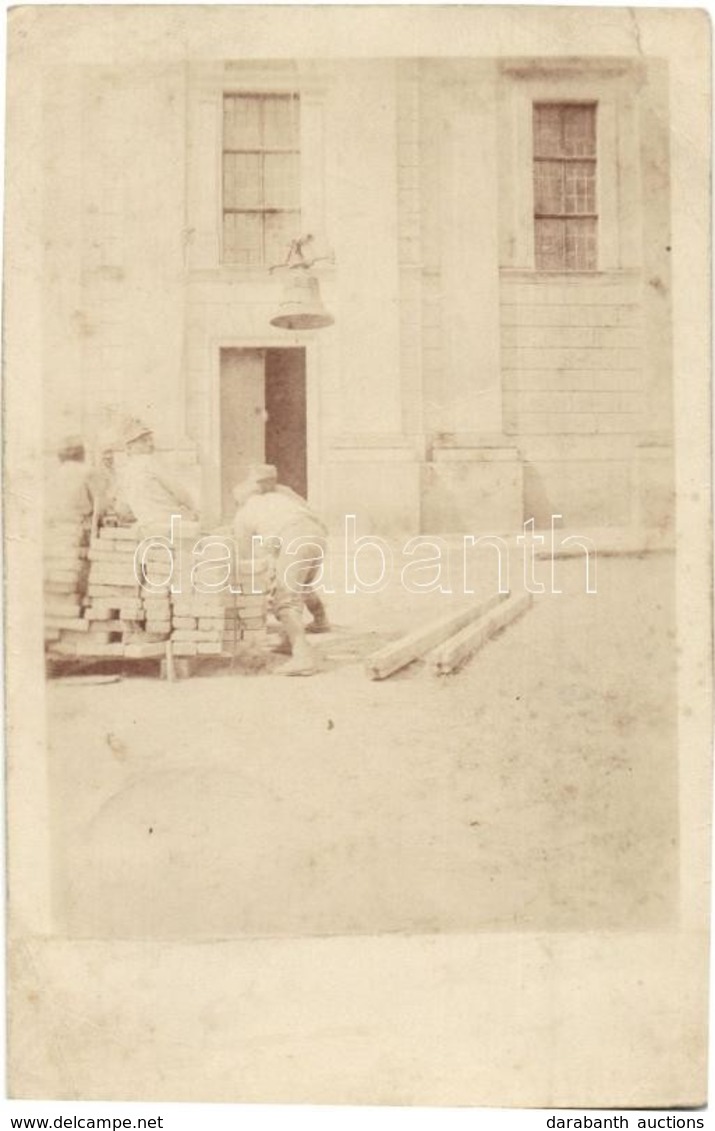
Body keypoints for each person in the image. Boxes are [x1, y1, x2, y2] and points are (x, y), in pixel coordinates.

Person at [232, 464, 330, 676]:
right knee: (301, 585)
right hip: (317, 535)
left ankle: (303, 658)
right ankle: (310, 627)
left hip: (295, 538)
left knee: (285, 600)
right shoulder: (281, 497)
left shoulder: (243, 514)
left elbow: (246, 561)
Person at [114, 419, 199, 529]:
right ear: (129, 447)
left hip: (147, 525)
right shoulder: (149, 461)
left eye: (151, 440)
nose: (150, 444)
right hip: (170, 522)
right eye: (144, 441)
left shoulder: (125, 472)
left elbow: (122, 509)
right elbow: (179, 491)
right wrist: (195, 510)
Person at [46, 435, 95, 525]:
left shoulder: (54, 474)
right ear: (81, 452)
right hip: (80, 523)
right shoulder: (87, 471)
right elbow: (98, 504)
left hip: (58, 524)